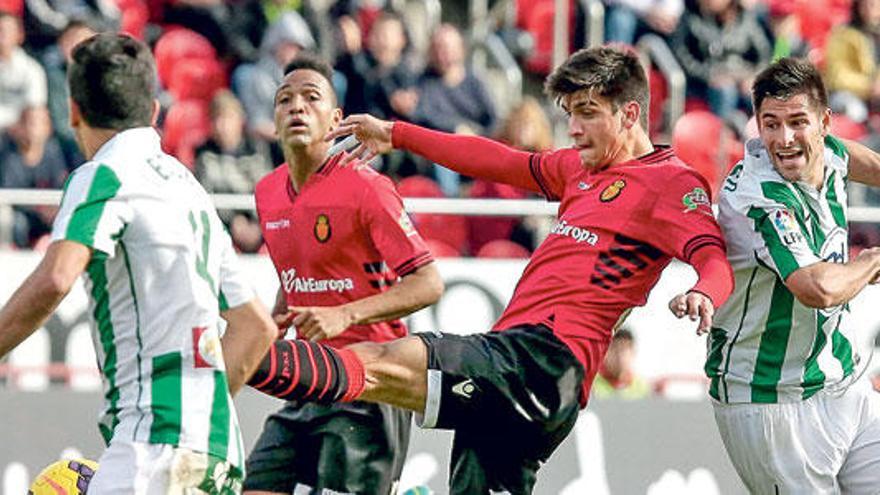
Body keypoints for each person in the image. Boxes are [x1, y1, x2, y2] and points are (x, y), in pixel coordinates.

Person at [245, 46, 735, 494]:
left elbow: (711, 256)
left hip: (543, 359)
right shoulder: (579, 169)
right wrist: (397, 133)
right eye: (570, 115)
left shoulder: (670, 182)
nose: (574, 129)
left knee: (380, 361)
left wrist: (705, 293)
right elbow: (496, 160)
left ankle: (233, 356)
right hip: (525, 372)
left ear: (630, 113)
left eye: (587, 113)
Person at [0, 33, 276, 493]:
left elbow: (56, 277)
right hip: (216, 451)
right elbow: (256, 329)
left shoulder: (102, 175)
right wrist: (194, 423)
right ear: (153, 111)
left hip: (153, 446)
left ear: (73, 112)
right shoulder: (190, 190)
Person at [242, 55, 444, 495]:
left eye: (311, 98)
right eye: (285, 100)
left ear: (335, 120)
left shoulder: (365, 187)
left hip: (369, 386)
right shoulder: (267, 191)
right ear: (273, 118)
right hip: (309, 379)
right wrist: (276, 322)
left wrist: (345, 315)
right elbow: (297, 271)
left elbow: (428, 282)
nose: (296, 107)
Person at [705, 56, 880, 493]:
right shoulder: (760, 195)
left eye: (797, 122)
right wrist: (871, 261)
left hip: (841, 382)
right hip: (771, 402)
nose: (783, 139)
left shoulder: (829, 152)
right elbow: (815, 288)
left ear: (825, 122)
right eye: (771, 124)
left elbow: (859, 161)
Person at [193, 90, 273, 253]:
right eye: (217, 119)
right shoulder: (203, 154)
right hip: (221, 234)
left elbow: (267, 192)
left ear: (240, 120)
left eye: (227, 118)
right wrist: (231, 222)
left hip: (260, 231)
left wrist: (256, 226)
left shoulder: (257, 150)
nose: (222, 126)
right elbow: (204, 198)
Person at [0, 105, 70, 248]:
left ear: (48, 127)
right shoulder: (8, 156)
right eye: (28, 122)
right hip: (23, 216)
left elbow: (60, 185)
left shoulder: (56, 153)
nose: (32, 129)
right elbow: (10, 192)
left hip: (49, 216)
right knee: (16, 222)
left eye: (38, 123)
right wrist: (39, 209)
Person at [591, 328, 650, 399]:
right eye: (615, 348)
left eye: (624, 349)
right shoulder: (590, 385)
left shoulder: (643, 388)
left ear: (633, 352)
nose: (619, 355)